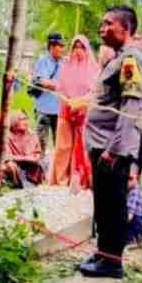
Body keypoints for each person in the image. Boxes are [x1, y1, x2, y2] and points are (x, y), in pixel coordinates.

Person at [80, 6, 142, 278]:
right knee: (104, 204)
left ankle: (112, 262)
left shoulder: (131, 60)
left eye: (108, 24)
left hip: (112, 149)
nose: (102, 28)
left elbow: (130, 107)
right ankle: (103, 253)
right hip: (101, 145)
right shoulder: (118, 59)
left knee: (113, 205)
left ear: (125, 29)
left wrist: (114, 149)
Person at [49, 35, 98, 189]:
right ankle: (60, 180)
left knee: (80, 148)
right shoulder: (66, 66)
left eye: (81, 47)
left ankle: (78, 181)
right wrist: (67, 101)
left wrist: (80, 102)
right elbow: (60, 88)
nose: (78, 51)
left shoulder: (94, 69)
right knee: (63, 146)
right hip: (66, 110)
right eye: (75, 47)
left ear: (87, 49)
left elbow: (94, 92)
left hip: (83, 113)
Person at [32, 33, 65, 152]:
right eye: (60, 46)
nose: (62, 49)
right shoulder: (43, 61)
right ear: (51, 47)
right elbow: (43, 82)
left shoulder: (63, 63)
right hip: (43, 109)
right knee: (41, 144)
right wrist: (61, 86)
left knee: (59, 144)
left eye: (63, 46)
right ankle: (40, 167)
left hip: (59, 110)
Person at [4, 110, 44, 188]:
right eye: (22, 119)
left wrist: (33, 158)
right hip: (17, 165)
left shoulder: (32, 135)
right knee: (10, 167)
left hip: (32, 167)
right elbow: (7, 156)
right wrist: (26, 158)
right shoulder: (7, 137)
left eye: (26, 119)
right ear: (14, 121)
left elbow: (37, 154)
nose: (25, 122)